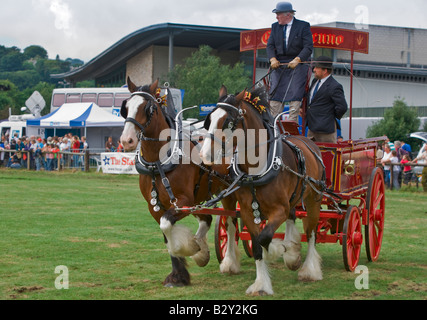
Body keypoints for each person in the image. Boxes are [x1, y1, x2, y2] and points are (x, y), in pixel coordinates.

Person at [266, 1, 313, 121]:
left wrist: (298, 59)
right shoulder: (275, 27)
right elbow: (270, 46)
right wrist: (272, 59)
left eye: (278, 14)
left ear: (288, 15)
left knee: (295, 94)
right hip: (279, 65)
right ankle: (274, 124)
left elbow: (308, 47)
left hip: (298, 65)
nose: (276, 17)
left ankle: (292, 123)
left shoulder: (303, 26)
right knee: (275, 93)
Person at [305, 56, 348, 143]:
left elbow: (342, 107)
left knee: (327, 154)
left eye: (317, 68)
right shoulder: (315, 81)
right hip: (312, 128)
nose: (314, 70)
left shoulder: (334, 86)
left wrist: (329, 116)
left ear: (325, 71)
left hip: (326, 131)